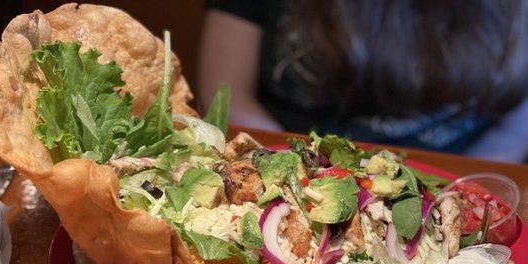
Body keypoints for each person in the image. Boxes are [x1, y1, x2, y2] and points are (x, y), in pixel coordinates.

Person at [197, 0, 528, 163]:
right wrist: (304, 170)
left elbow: (519, 118)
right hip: (298, 156)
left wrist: (468, 182)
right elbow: (224, 94)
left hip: (461, 162)